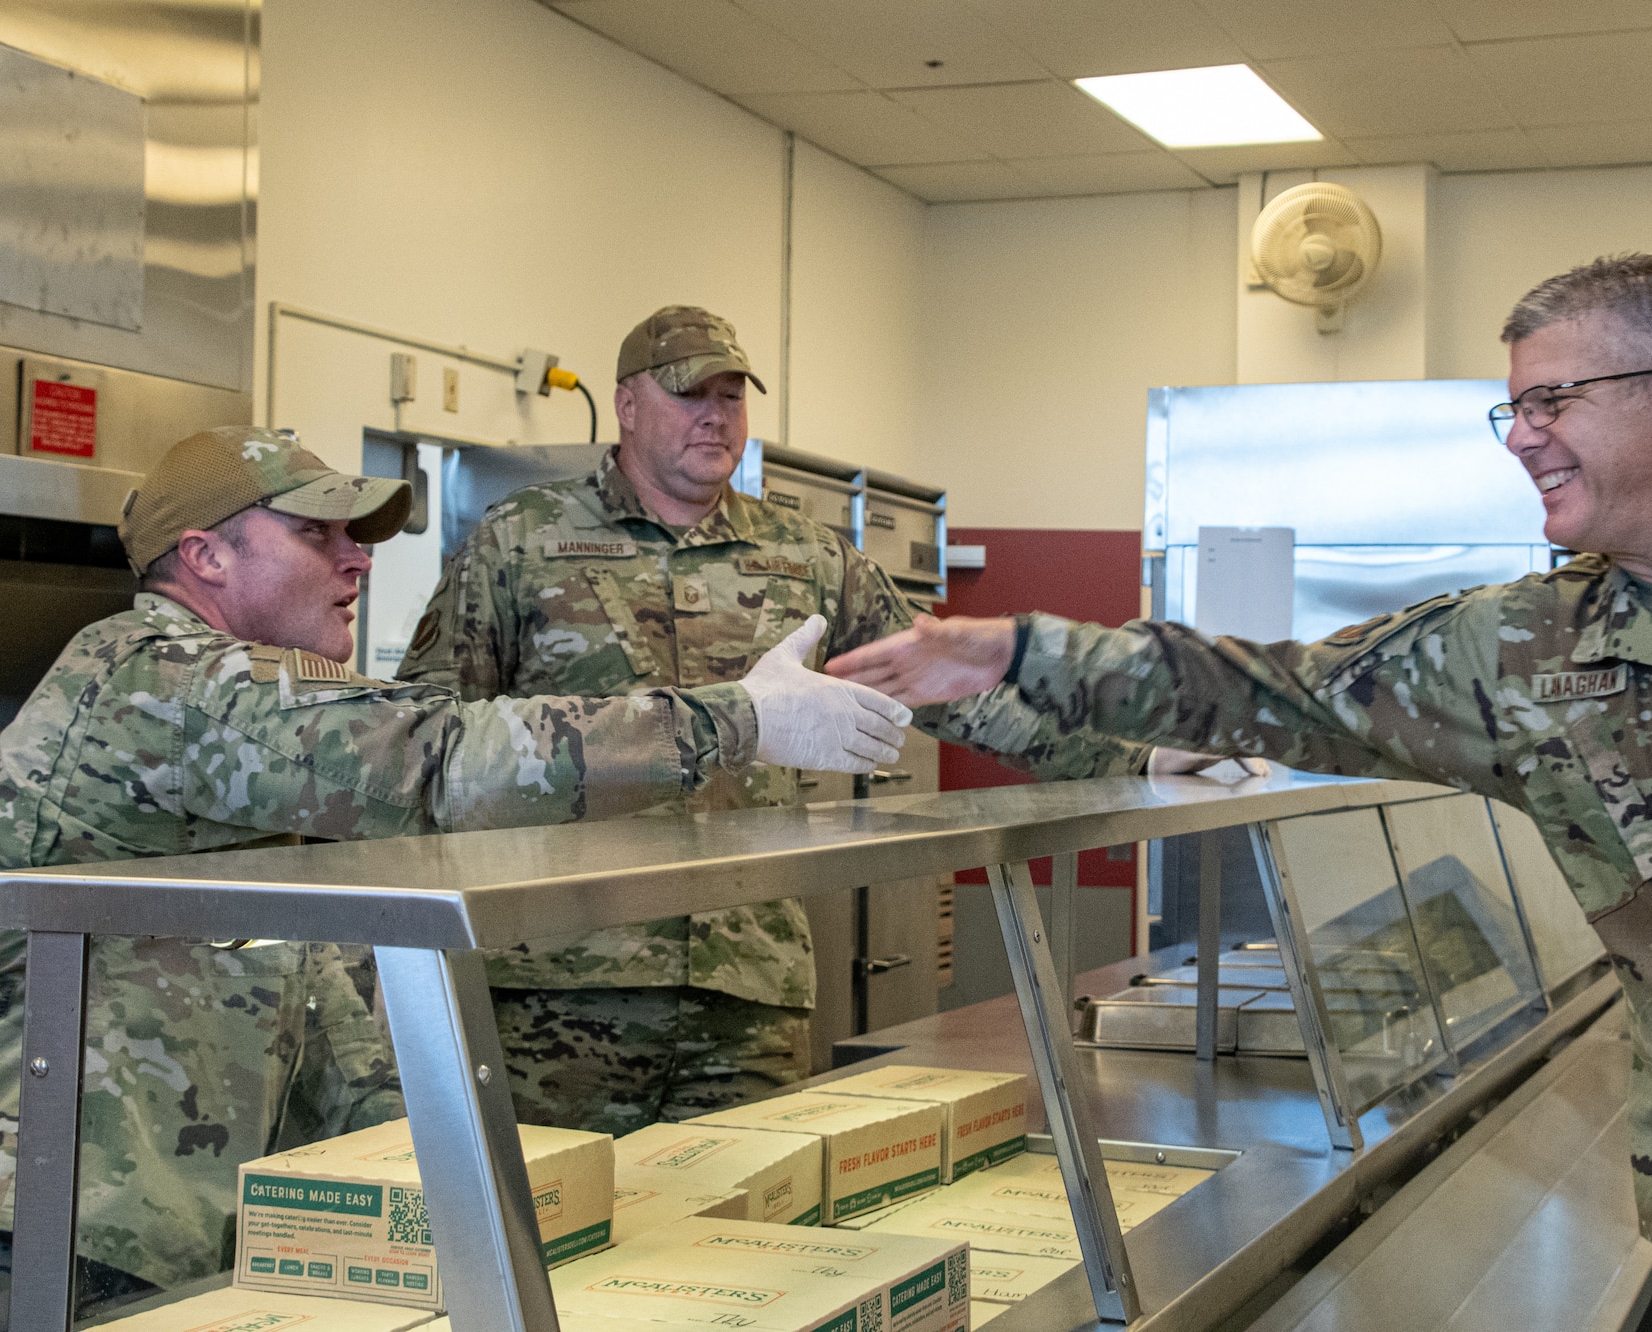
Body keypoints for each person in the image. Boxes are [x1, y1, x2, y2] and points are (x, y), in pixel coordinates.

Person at [827, 254, 1652, 1332]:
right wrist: (1021, 653)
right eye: (1509, 410)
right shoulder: (1516, 647)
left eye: (1551, 399)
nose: (1521, 437)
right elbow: (1276, 691)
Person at [0, 426, 907, 1329]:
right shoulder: (157, 679)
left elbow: (315, 983)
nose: (357, 558)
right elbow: (436, 756)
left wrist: (468, 1184)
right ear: (206, 557)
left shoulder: (246, 708)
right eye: (317, 534)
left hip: (160, 1214)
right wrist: (734, 719)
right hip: (30, 1218)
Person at [397, 305, 1173, 1136]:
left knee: (748, 1230)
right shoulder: (521, 542)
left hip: (749, 977)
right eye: (692, 393)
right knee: (554, 1237)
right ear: (626, 405)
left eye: (733, 396)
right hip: (555, 980)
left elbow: (954, 690)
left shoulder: (805, 557)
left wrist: (1139, 753)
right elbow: (430, 740)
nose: (716, 415)